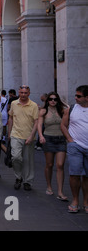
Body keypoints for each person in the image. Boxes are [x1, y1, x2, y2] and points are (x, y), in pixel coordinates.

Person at [61, 85, 88, 214]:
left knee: (87, 176)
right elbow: (63, 125)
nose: (75, 98)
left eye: (79, 96)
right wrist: (70, 141)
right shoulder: (70, 109)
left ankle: (86, 202)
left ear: (87, 98)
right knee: (75, 174)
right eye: (75, 95)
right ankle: (75, 200)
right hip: (75, 146)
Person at [37, 92, 68, 200]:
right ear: (47, 100)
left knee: (60, 165)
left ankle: (60, 191)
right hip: (48, 139)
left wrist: (62, 102)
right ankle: (49, 186)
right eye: (50, 99)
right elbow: (39, 125)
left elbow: (68, 108)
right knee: (49, 164)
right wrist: (40, 136)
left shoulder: (62, 110)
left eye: (55, 99)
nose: (53, 101)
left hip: (61, 139)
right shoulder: (43, 111)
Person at [8, 85, 39, 191]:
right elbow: (11, 118)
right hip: (16, 135)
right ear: (19, 93)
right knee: (16, 157)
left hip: (29, 136)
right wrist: (9, 133)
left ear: (29, 93)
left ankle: (27, 181)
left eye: (25, 93)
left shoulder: (34, 105)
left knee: (27, 160)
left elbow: (36, 122)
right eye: (21, 92)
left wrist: (31, 136)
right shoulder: (14, 103)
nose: (23, 95)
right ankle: (18, 177)